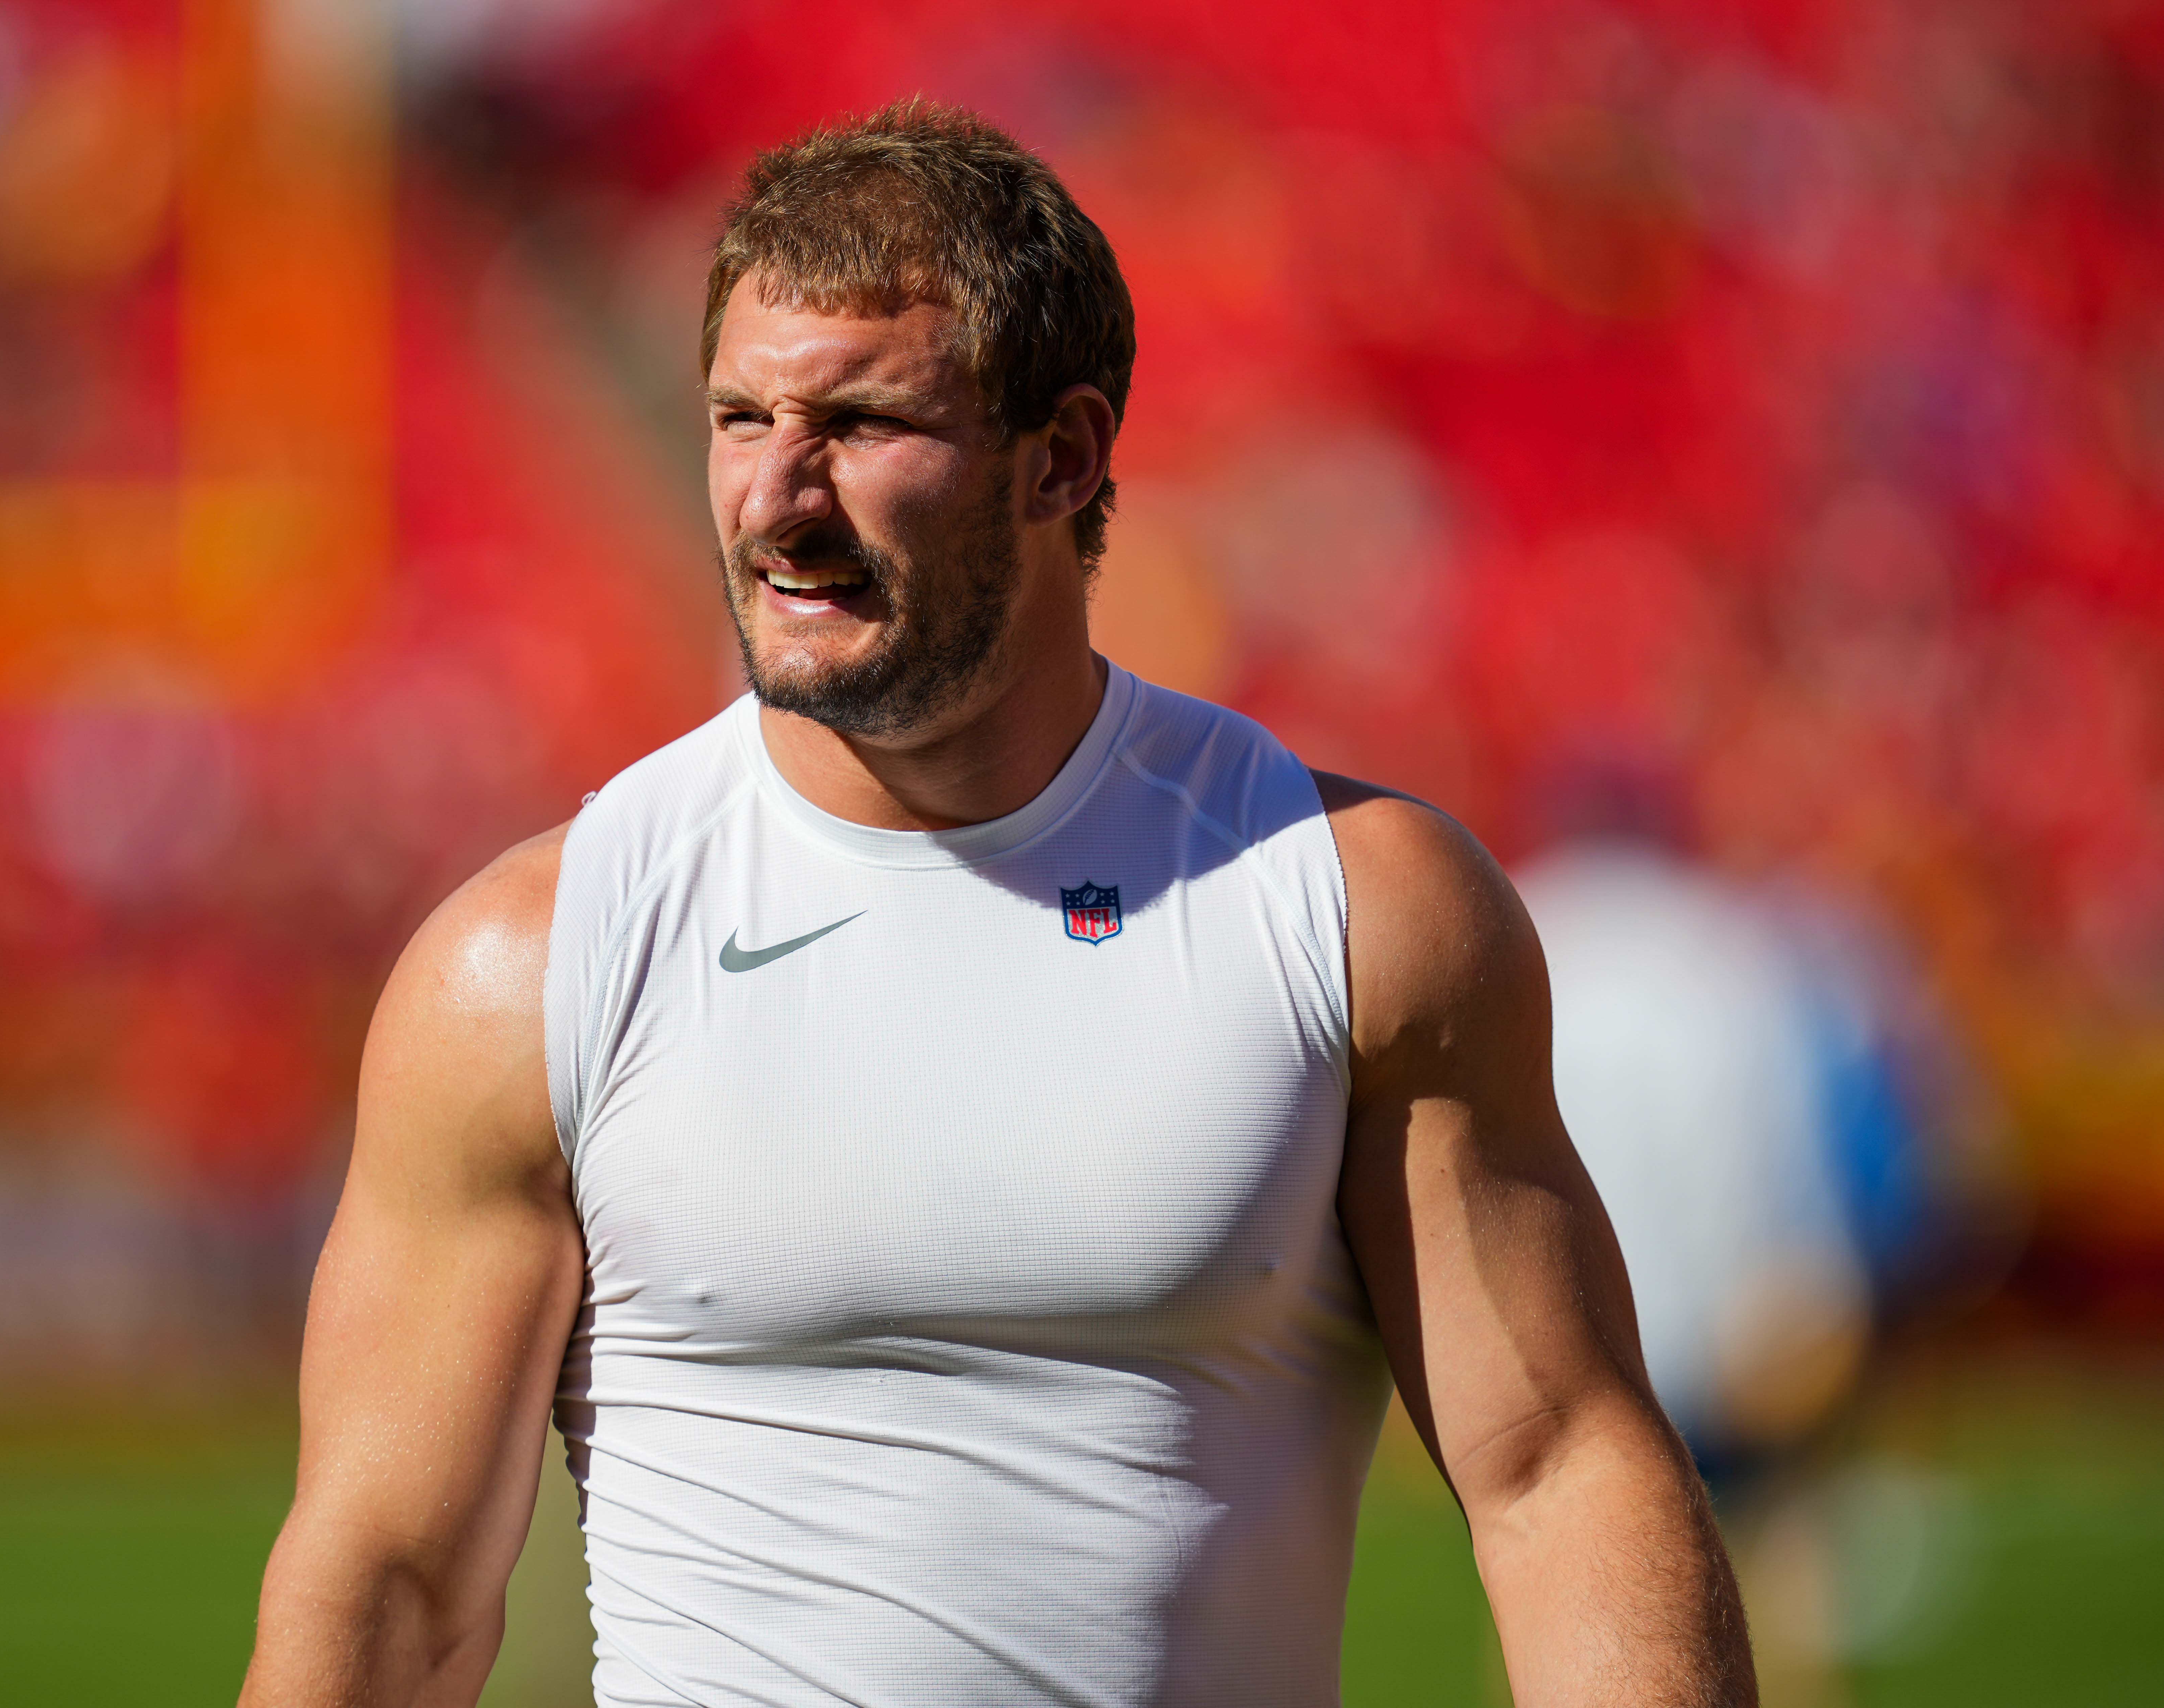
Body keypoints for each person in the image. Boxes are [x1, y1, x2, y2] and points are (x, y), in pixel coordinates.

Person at [239, 100, 1753, 1708]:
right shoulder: (531, 960)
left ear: (1063, 455)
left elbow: (1556, 1470)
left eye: (857, 424)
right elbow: (391, 1579)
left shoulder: (1348, 906)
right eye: (740, 418)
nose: (774, 495)